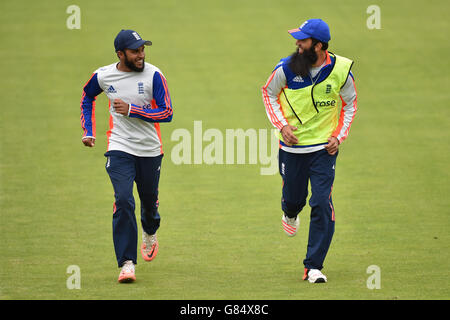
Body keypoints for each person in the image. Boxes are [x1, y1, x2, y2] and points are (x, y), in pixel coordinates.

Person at [261, 19, 357, 283]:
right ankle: (290, 212)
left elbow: (350, 104)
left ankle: (313, 266)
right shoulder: (286, 67)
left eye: (302, 41)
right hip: (292, 149)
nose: (297, 44)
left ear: (318, 45)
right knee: (294, 199)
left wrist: (339, 136)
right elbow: (268, 93)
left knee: (322, 202)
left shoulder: (341, 70)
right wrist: (281, 126)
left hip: (324, 150)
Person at [80, 29, 173, 283]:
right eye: (135, 51)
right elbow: (87, 96)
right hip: (119, 146)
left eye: (143, 49)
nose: (141, 54)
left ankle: (150, 231)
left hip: (150, 150)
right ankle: (127, 263)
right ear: (121, 54)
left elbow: (167, 112)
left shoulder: (155, 75)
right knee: (123, 200)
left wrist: (133, 110)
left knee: (149, 204)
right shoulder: (103, 75)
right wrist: (89, 130)